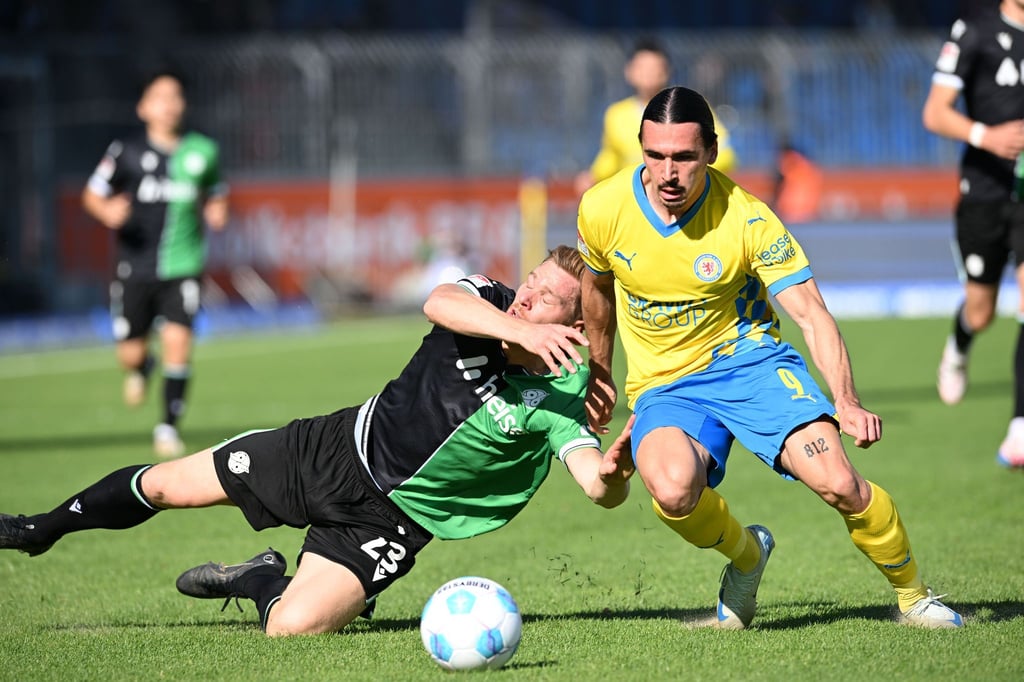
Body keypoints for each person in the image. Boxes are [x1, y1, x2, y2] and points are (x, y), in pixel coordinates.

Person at [0, 247, 635, 637]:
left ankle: (258, 578)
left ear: (574, 324)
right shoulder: (487, 300)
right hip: (331, 450)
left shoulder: (554, 405)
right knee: (167, 485)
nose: (526, 296)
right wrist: (511, 324)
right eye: (530, 280)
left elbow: (592, 483)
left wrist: (613, 472)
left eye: (546, 298)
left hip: (391, 522)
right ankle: (40, 528)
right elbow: (439, 302)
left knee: (290, 628)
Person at [576, 86, 963, 630]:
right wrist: (599, 367)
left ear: (710, 151)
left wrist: (846, 401)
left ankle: (913, 597)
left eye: (684, 157)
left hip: (752, 366)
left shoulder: (748, 219)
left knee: (838, 481)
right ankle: (748, 555)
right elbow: (595, 287)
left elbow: (811, 313)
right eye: (655, 155)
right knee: (671, 488)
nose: (668, 172)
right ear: (639, 148)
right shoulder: (601, 207)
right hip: (666, 386)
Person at [82, 68, 229, 459]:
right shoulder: (125, 153)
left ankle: (167, 427)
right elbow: (93, 195)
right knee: (129, 353)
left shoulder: (202, 152)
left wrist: (216, 210)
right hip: (135, 268)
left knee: (179, 344)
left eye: (175, 97)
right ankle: (141, 366)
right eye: (160, 98)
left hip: (184, 267)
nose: (169, 105)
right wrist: (107, 210)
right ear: (143, 108)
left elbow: (215, 191)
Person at [922, 0, 1024, 467]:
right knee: (981, 312)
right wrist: (987, 136)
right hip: (983, 194)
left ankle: (1019, 428)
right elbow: (935, 113)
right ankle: (959, 345)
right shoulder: (975, 28)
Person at [574, 40, 736, 196]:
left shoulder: (690, 107)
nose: (648, 74)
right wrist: (593, 176)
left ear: (667, 71)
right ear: (629, 72)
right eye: (642, 68)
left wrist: (688, 172)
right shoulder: (616, 114)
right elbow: (611, 156)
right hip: (637, 200)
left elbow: (724, 152)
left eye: (654, 68)